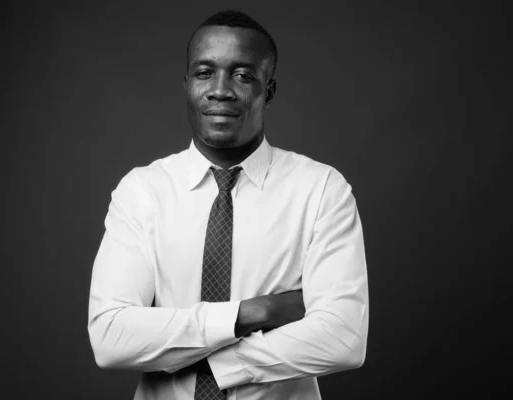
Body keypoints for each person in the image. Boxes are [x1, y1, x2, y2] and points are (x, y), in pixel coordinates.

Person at [88, 9, 369, 400]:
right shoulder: (141, 191)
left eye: (242, 75)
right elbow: (110, 338)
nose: (221, 89)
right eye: (205, 72)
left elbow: (343, 338)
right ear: (186, 84)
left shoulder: (320, 189)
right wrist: (253, 314)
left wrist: (219, 362)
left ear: (268, 90)